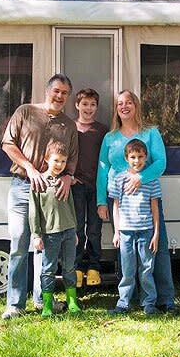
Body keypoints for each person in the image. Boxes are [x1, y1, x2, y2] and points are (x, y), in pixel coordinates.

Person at [97, 89, 180, 315]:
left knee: (157, 250)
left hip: (148, 199)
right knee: (126, 253)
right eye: (119, 103)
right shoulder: (110, 137)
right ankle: (128, 300)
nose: (124, 106)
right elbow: (103, 169)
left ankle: (164, 300)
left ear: (136, 106)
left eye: (128, 102)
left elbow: (161, 163)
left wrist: (140, 177)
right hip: (121, 203)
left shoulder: (150, 132)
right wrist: (101, 200)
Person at [1, 74, 78, 320]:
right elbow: (7, 144)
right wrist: (30, 168)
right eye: (56, 91)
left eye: (65, 93)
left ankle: (41, 299)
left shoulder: (69, 124)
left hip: (51, 192)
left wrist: (67, 177)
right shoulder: (25, 112)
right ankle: (14, 304)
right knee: (20, 244)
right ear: (47, 91)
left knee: (45, 248)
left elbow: (73, 158)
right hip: (23, 187)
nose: (60, 96)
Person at [109, 139, 160, 315]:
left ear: (146, 158)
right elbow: (116, 206)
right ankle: (123, 303)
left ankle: (148, 304)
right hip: (125, 232)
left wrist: (156, 234)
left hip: (146, 232)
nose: (136, 161)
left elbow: (155, 208)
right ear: (126, 158)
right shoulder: (119, 179)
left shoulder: (151, 180)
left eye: (140, 157)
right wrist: (116, 232)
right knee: (127, 270)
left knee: (146, 269)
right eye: (133, 157)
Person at [30, 141, 81, 317]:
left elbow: (71, 206)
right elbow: (34, 211)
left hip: (68, 230)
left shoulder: (64, 181)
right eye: (56, 160)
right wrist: (36, 235)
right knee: (48, 269)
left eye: (63, 162)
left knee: (69, 268)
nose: (59, 165)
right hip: (50, 234)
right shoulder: (39, 182)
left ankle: (72, 302)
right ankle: (47, 305)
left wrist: (74, 230)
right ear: (46, 159)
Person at [72, 88, 109, 287]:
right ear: (77, 105)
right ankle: (77, 267)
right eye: (84, 104)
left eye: (92, 104)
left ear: (96, 107)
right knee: (77, 228)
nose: (88, 108)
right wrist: (70, 176)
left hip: (96, 187)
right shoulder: (71, 127)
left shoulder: (102, 130)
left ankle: (94, 266)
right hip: (77, 186)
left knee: (94, 229)